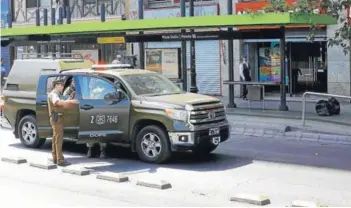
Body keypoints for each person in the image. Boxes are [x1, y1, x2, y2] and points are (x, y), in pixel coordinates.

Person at [47, 79, 79, 166]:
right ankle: (60, 160)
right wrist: (71, 102)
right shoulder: (53, 94)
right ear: (56, 86)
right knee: (58, 140)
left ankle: (55, 157)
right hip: (57, 118)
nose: (62, 87)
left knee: (55, 139)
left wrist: (70, 98)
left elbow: (61, 103)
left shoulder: (55, 94)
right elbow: (58, 103)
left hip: (56, 118)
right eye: (61, 86)